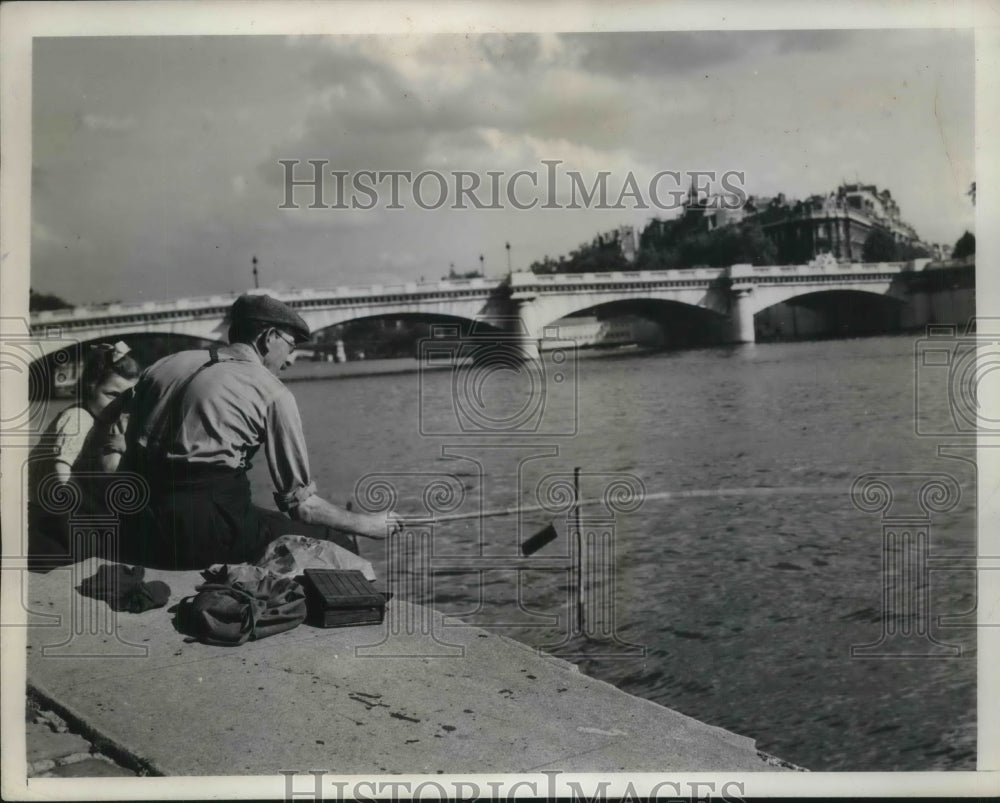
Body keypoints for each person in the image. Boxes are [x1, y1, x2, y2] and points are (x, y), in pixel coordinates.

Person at [115, 293, 399, 570]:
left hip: (134, 523)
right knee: (335, 545)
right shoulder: (271, 391)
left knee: (266, 521)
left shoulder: (163, 364)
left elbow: (116, 436)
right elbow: (303, 507)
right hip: (201, 534)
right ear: (268, 337)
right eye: (291, 345)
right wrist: (369, 525)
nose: (291, 360)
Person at [27, 342, 142, 565]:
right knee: (84, 542)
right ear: (90, 387)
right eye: (111, 394)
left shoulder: (103, 420)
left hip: (64, 493)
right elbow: (60, 469)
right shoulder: (78, 418)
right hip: (44, 498)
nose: (118, 404)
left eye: (125, 398)